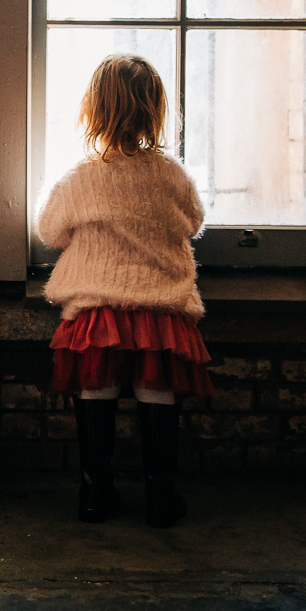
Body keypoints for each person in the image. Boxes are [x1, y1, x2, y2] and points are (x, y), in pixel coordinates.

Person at [37, 54, 214, 527]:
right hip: (160, 308)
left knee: (98, 390)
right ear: (154, 110)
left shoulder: (79, 178)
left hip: (98, 307)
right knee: (157, 393)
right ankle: (160, 496)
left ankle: (94, 495)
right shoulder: (173, 175)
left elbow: (50, 230)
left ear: (94, 109)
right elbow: (194, 222)